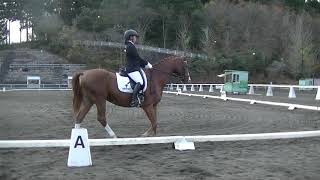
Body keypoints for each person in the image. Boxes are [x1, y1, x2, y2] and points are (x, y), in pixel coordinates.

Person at [124, 29, 153, 107]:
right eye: (134, 37)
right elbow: (137, 59)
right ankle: (134, 100)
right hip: (132, 69)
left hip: (134, 68)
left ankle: (139, 95)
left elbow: (136, 59)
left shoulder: (130, 46)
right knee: (140, 82)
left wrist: (145, 65)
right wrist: (147, 64)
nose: (136, 38)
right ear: (130, 37)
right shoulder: (130, 46)